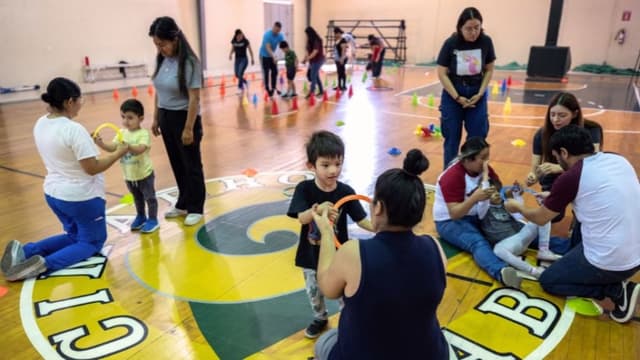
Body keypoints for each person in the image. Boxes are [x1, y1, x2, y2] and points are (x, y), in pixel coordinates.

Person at [313, 150, 449, 360]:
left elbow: (327, 286)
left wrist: (327, 232)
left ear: (378, 208)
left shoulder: (354, 253)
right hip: (430, 353)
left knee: (325, 342)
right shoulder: (435, 248)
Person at [505, 125, 640, 324]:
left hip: (611, 261)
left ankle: (617, 291)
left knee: (550, 281)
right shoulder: (616, 159)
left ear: (564, 153)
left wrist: (518, 208)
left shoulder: (570, 177)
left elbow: (542, 218)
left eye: (556, 157)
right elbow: (596, 193)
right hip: (635, 253)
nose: (557, 161)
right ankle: (608, 281)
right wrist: (554, 196)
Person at [0, 77, 128, 281]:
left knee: (74, 236)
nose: (81, 104)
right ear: (69, 102)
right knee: (91, 243)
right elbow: (92, 168)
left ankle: (25, 251)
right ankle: (42, 266)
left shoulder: (41, 123)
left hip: (53, 194)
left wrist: (84, 141)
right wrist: (118, 153)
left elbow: (62, 145)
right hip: (82, 199)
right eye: (80, 100)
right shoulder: (73, 130)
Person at [286, 130, 373, 339]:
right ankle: (320, 317)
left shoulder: (345, 191)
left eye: (338, 163)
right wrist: (317, 209)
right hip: (310, 255)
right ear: (311, 166)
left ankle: (348, 319)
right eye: (326, 165)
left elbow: (361, 220)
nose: (333, 170)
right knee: (314, 292)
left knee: (344, 291)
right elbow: (302, 218)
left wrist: (382, 227)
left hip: (339, 254)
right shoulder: (304, 189)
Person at [433, 137, 523, 288]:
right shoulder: (452, 177)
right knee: (477, 242)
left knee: (517, 228)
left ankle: (565, 246)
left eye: (487, 157)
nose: (486, 162)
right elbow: (455, 213)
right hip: (450, 221)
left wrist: (513, 192)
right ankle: (500, 271)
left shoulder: (484, 170)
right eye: (483, 158)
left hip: (478, 214)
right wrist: (474, 198)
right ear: (468, 159)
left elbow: (498, 194)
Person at [148, 16, 206, 227]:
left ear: (174, 39)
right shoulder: (162, 60)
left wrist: (189, 128)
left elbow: (194, 98)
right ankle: (183, 203)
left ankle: (196, 207)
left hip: (184, 117)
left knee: (191, 165)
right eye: (156, 44)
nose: (160, 48)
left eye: (162, 44)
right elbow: (159, 91)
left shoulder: (190, 63)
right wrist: (155, 118)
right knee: (177, 163)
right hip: (165, 116)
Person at [436, 7, 495, 169]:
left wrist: (481, 93)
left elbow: (489, 69)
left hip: (477, 94)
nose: (473, 32)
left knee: (477, 138)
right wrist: (457, 97)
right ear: (460, 27)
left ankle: (473, 175)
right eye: (469, 28)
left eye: (477, 27)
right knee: (452, 138)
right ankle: (449, 174)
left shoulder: (486, 42)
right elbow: (442, 73)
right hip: (453, 94)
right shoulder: (451, 43)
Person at [94, 99, 159, 233]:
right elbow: (113, 148)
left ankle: (153, 219)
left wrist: (128, 147)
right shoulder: (122, 133)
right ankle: (141, 216)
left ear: (140, 118)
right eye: (123, 117)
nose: (125, 121)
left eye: (130, 118)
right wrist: (101, 144)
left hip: (145, 175)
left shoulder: (143, 134)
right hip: (129, 176)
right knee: (137, 198)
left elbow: (140, 149)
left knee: (150, 198)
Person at [477, 175, 560, 279]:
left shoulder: (506, 203)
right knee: (498, 250)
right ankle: (533, 271)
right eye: (491, 193)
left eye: (497, 191)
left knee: (542, 217)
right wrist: (484, 175)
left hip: (521, 237)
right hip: (507, 245)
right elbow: (482, 200)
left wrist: (516, 193)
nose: (496, 195)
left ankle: (544, 250)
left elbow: (519, 215)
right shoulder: (483, 210)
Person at [526, 92, 603, 191]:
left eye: (562, 115)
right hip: (554, 180)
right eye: (552, 114)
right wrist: (532, 177)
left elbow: (592, 164)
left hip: (583, 178)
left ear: (575, 114)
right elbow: (534, 170)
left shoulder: (591, 130)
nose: (555, 119)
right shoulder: (542, 134)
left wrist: (559, 168)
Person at [259, 22, 285, 97]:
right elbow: (268, 48)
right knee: (266, 72)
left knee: (275, 71)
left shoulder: (280, 35)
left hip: (271, 55)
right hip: (264, 55)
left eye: (278, 31)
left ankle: (273, 87)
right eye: (276, 30)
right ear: (273, 27)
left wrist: (289, 54)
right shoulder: (267, 35)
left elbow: (283, 45)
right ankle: (267, 88)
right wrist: (274, 57)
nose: (277, 32)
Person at [302, 26, 325, 99]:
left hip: (318, 60)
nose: (306, 36)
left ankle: (312, 92)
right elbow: (307, 50)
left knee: (313, 76)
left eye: (307, 34)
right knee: (315, 76)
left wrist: (307, 58)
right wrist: (305, 58)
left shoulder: (316, 40)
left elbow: (315, 52)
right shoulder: (309, 40)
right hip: (313, 60)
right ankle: (321, 91)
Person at [228, 29, 255, 94]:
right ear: (236, 36)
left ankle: (240, 88)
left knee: (240, 73)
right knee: (237, 75)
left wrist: (252, 58)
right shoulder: (234, 40)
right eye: (239, 35)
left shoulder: (245, 41)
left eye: (241, 35)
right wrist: (230, 54)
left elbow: (250, 50)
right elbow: (233, 48)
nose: (240, 36)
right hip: (237, 60)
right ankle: (246, 82)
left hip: (244, 59)